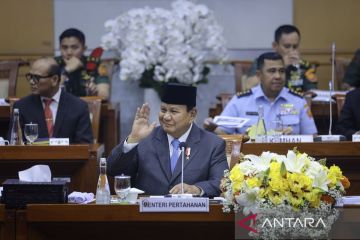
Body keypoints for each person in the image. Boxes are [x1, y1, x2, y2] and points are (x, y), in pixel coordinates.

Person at [107, 83, 228, 197]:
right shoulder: (145, 138)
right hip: (146, 214)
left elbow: (222, 183)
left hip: (191, 216)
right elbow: (113, 170)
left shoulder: (212, 144)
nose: (166, 117)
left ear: (192, 114)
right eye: (163, 110)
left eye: (174, 111)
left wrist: (196, 189)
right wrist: (133, 139)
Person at [205, 52, 318, 136]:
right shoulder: (240, 101)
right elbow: (223, 132)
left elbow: (312, 137)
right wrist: (212, 128)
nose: (278, 76)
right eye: (272, 71)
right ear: (259, 75)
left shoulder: (298, 101)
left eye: (282, 71)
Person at [7, 57, 93, 143]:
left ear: (54, 80)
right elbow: (13, 145)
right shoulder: (21, 107)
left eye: (36, 77)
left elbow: (85, 146)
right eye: (30, 76)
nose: (32, 82)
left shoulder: (78, 107)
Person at [246, 25, 318, 93]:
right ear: (275, 46)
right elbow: (249, 86)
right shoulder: (263, 62)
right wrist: (282, 65)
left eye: (295, 46)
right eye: (287, 46)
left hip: (295, 104)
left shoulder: (304, 65)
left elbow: (312, 92)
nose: (291, 50)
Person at [55, 28, 110, 100]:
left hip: (86, 108)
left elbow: (104, 95)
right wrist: (66, 70)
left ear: (84, 49)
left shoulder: (94, 64)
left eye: (74, 47)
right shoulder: (52, 64)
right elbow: (48, 94)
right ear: (60, 48)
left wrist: (94, 92)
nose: (69, 52)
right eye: (64, 48)